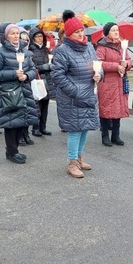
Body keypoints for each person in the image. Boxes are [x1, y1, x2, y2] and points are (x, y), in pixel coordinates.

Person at [51, 10, 102, 178]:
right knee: (75, 130)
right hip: (72, 98)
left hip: (89, 93)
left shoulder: (88, 47)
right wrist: (75, 90)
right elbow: (58, 76)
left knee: (85, 128)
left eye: (81, 31)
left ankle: (79, 158)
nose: (80, 34)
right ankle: (71, 162)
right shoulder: (62, 50)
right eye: (76, 32)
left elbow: (98, 65)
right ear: (69, 34)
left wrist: (99, 74)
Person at [0, 24, 39, 164]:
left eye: (17, 33)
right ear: (6, 36)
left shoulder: (24, 51)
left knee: (22, 121)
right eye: (12, 33)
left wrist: (27, 76)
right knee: (11, 123)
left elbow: (33, 70)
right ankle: (11, 151)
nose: (16, 36)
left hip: (24, 89)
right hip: (9, 92)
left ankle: (14, 150)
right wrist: (13, 74)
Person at [96, 22, 131, 146]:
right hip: (107, 82)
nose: (116, 32)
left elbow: (128, 59)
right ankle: (105, 135)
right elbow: (99, 63)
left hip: (120, 82)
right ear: (107, 33)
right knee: (106, 109)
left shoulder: (122, 46)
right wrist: (116, 66)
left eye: (117, 30)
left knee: (118, 108)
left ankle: (116, 135)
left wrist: (126, 64)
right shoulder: (101, 46)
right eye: (113, 30)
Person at [28, 26, 54, 137]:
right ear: (32, 38)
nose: (39, 38)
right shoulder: (30, 51)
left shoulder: (46, 49)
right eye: (37, 36)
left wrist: (51, 65)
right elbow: (32, 67)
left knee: (45, 105)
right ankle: (35, 128)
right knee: (37, 105)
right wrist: (43, 67)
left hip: (47, 79)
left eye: (40, 36)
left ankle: (43, 127)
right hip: (37, 79)